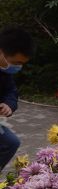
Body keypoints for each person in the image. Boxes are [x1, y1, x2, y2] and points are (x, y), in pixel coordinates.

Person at [0, 28, 34, 171]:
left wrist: (8, 104)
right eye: (16, 62)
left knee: (11, 142)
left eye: (22, 63)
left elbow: (11, 92)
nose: (18, 67)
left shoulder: (5, 72)